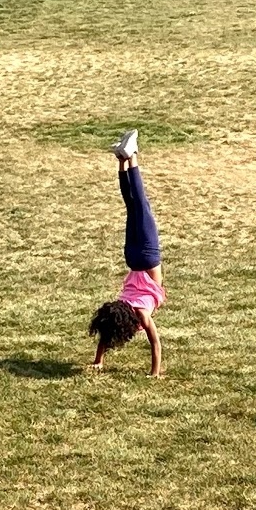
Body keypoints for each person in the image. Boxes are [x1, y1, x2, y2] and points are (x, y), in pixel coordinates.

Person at [89, 130, 166, 377]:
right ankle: (123, 160)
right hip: (132, 258)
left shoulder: (141, 315)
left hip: (147, 255)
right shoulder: (120, 307)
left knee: (139, 205)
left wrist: (155, 373)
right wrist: (98, 359)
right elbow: (106, 333)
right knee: (133, 207)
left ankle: (131, 155)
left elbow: (155, 344)